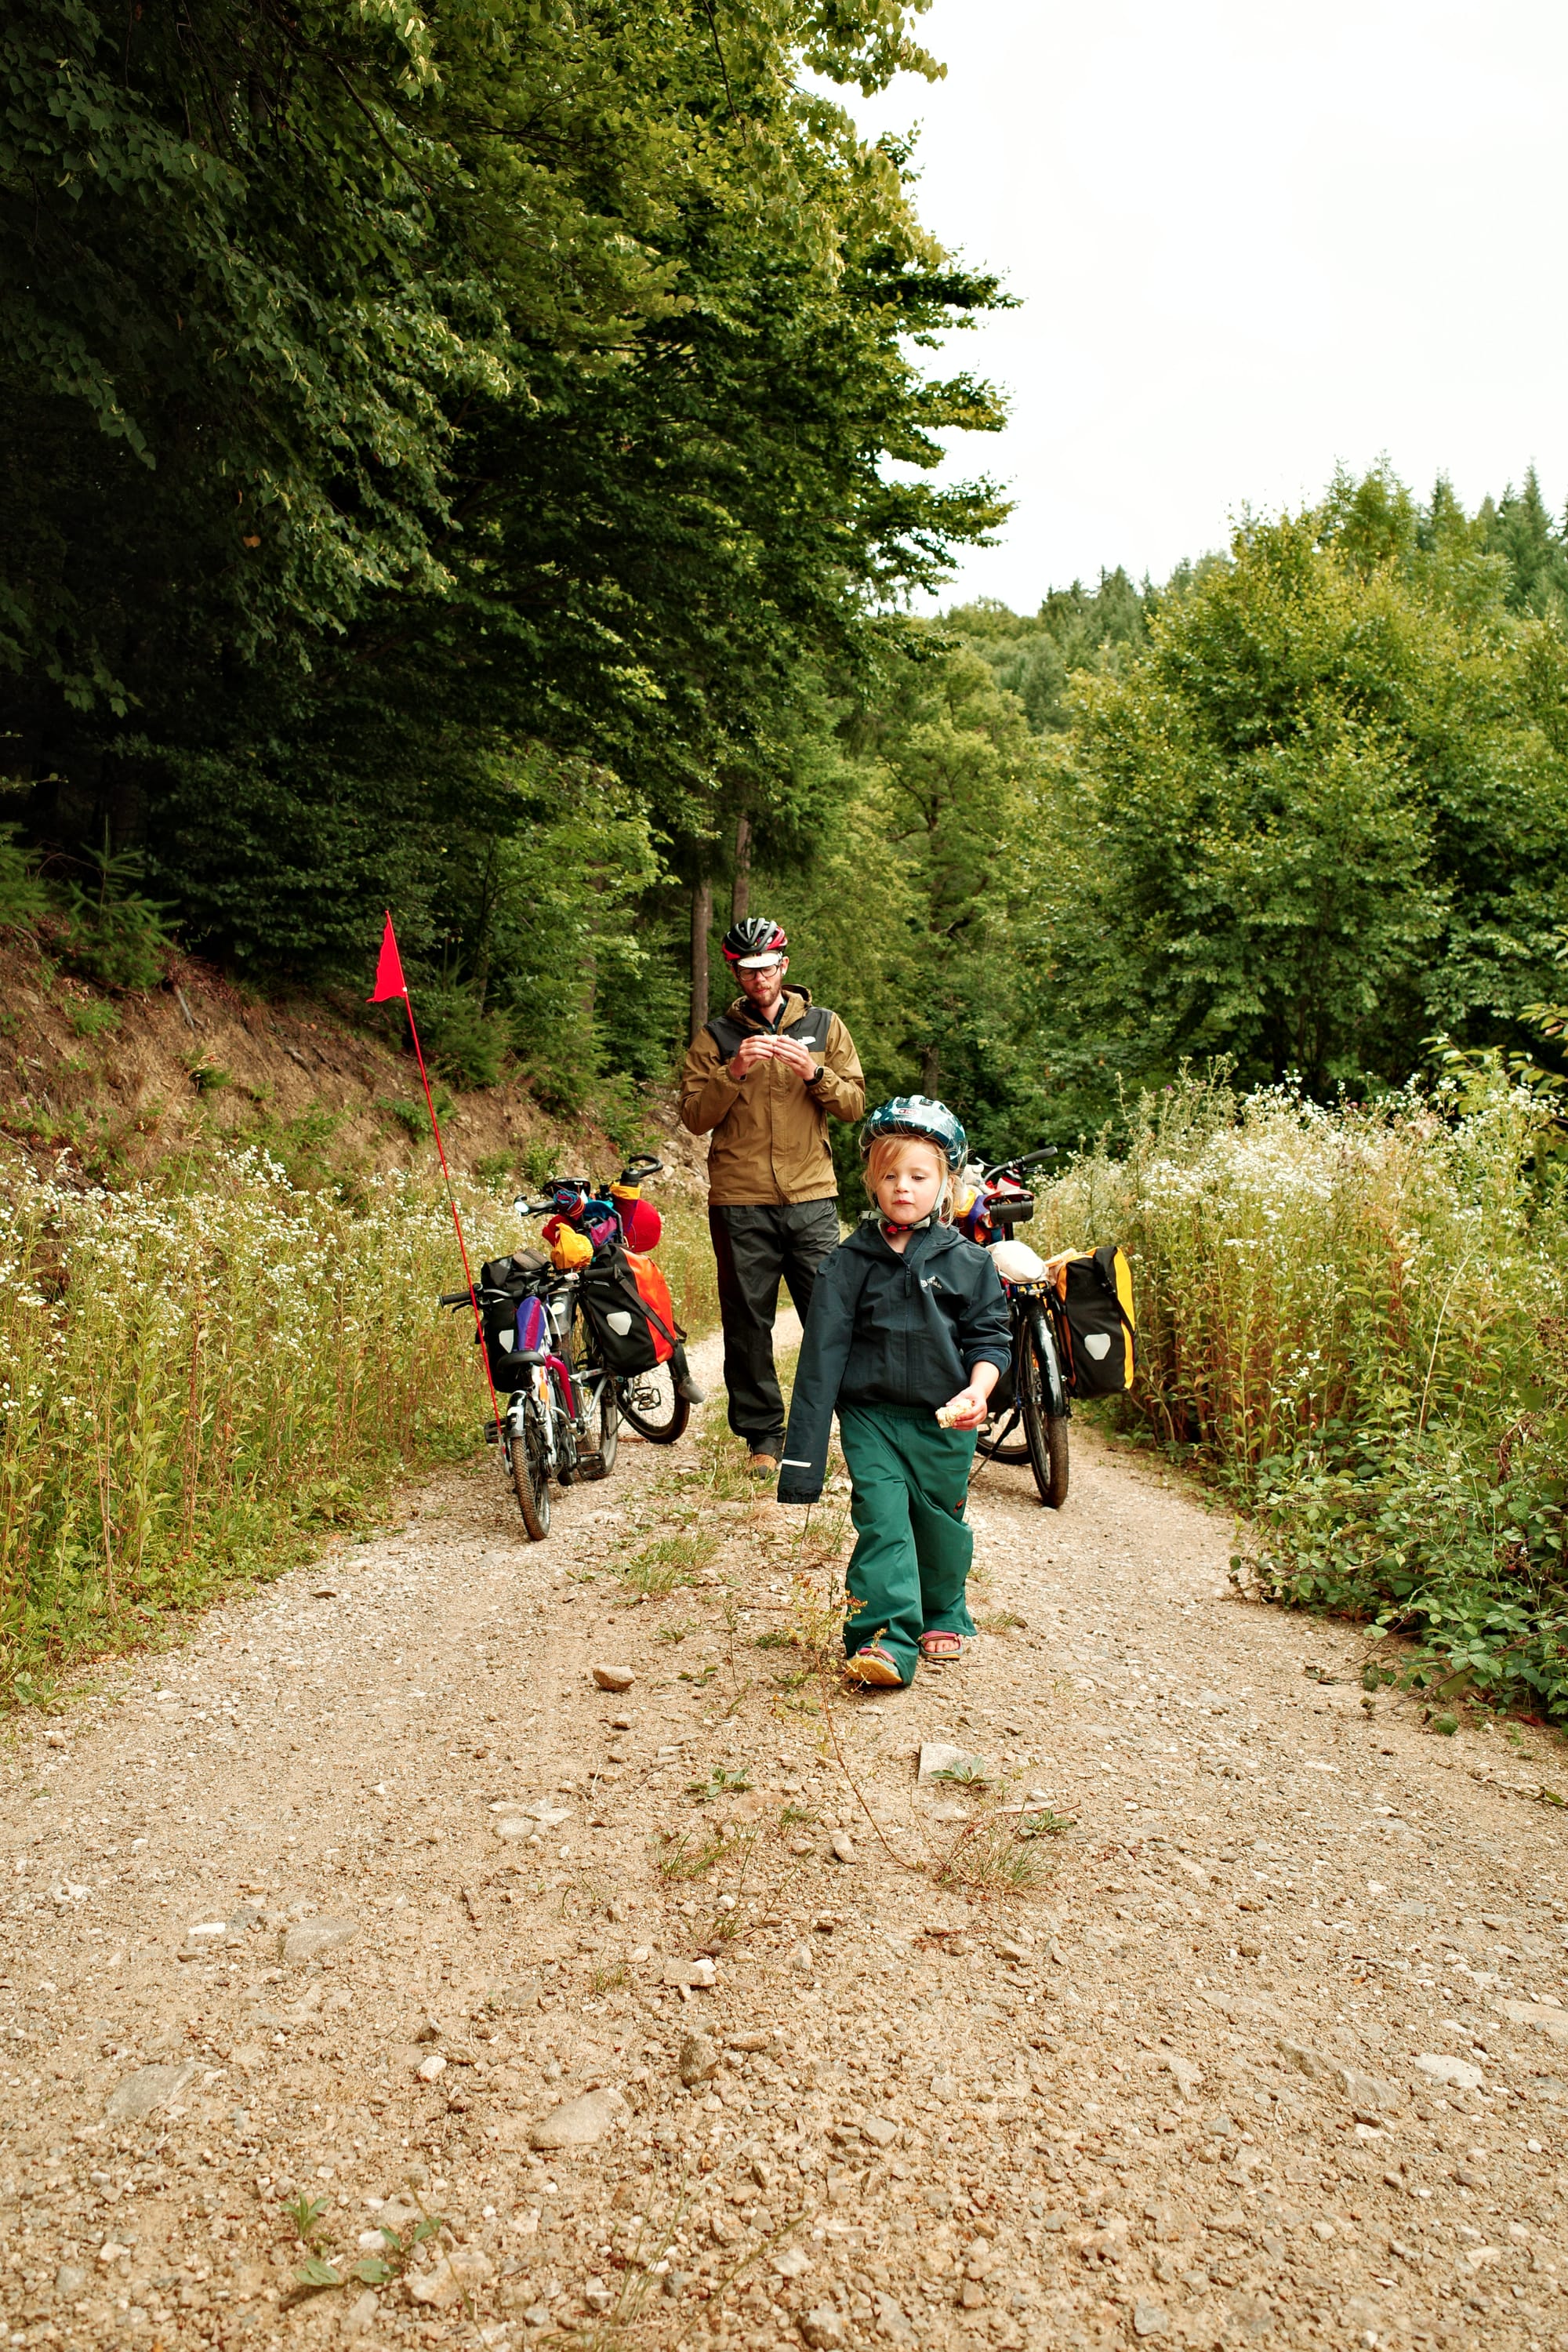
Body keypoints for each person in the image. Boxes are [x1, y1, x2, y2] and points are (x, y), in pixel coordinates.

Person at [775, 1096, 1011, 1687]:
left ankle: (943, 1611)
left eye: (919, 1176)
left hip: (944, 1422)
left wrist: (978, 1391)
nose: (903, 1187)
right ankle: (882, 1640)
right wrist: (801, 1462)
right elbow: (820, 1362)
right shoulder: (846, 1263)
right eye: (890, 1175)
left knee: (939, 1525)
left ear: (947, 1184)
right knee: (882, 1522)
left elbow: (990, 1340)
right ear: (871, 1183)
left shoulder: (970, 1262)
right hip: (871, 1418)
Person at [679, 916, 866, 1475]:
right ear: (735, 974)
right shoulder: (715, 1037)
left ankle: (861, 1431)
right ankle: (764, 1439)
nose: (758, 979)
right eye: (746, 970)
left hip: (812, 1197)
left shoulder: (825, 1025)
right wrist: (733, 1071)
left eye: (765, 968)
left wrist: (815, 1073)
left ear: (783, 966)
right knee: (748, 1326)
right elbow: (694, 1117)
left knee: (833, 1319)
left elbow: (854, 1106)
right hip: (740, 1201)